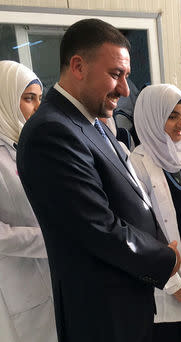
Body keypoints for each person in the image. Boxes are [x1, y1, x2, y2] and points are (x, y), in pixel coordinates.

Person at [16, 19, 180, 342]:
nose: (125, 89)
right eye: (115, 74)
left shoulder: (90, 120)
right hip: (100, 314)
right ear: (78, 66)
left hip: (126, 299)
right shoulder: (52, 131)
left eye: (126, 76)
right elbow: (99, 227)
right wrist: (165, 258)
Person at [130, 84, 181, 342]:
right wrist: (173, 285)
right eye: (172, 116)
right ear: (153, 117)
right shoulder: (137, 162)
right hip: (162, 291)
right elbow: (142, 232)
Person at [0, 60, 56, 342]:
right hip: (16, 287)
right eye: (28, 98)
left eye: (39, 99)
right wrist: (49, 240)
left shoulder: (32, 145)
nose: (37, 107)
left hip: (56, 275)